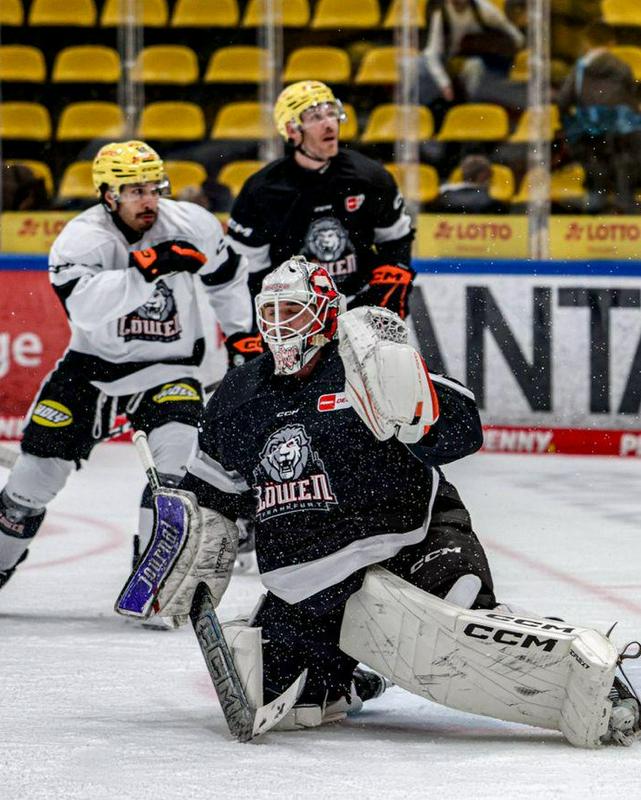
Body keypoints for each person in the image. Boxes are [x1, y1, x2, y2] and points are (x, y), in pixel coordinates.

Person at [135, 256, 639, 745]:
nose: (280, 324)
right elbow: (212, 494)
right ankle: (353, 681)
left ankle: (591, 670)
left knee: (460, 621)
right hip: (309, 574)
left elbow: (463, 428)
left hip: (409, 539)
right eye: (271, 312)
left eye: (293, 311)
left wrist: (421, 414)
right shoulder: (239, 394)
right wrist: (190, 547)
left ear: (325, 314)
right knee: (288, 705)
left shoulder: (366, 362)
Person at [0, 139, 256, 597]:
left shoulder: (191, 224)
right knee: (30, 484)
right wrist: (145, 271)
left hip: (169, 369)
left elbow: (226, 276)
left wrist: (241, 336)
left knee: (175, 476)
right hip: (92, 371)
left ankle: (155, 580)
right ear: (108, 195)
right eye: (136, 191)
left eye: (154, 188)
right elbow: (85, 310)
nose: (149, 200)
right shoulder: (81, 238)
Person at [226, 80, 417, 321]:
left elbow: (396, 239)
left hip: (361, 305)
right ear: (292, 130)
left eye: (331, 113)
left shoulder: (369, 177)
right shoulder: (261, 191)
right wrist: (261, 321)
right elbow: (248, 269)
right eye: (315, 117)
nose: (329, 123)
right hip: (294, 313)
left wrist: (391, 280)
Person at [557, 21, 641, 213]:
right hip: (622, 136)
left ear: (587, 43)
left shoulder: (579, 70)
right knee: (624, 159)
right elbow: (630, 103)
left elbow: (563, 101)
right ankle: (624, 201)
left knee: (594, 161)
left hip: (589, 135)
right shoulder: (623, 67)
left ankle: (597, 201)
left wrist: (569, 123)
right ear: (612, 44)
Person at [420, 0, 525, 110]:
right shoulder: (441, 13)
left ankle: (472, 108)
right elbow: (432, 53)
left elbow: (516, 36)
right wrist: (444, 84)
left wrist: (502, 47)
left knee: (474, 67)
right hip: (449, 65)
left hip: (482, 66)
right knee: (417, 64)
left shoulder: (483, 8)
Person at [429, 154, 508, 213]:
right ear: (482, 174)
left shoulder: (443, 191)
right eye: (490, 173)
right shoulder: (490, 197)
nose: (491, 176)